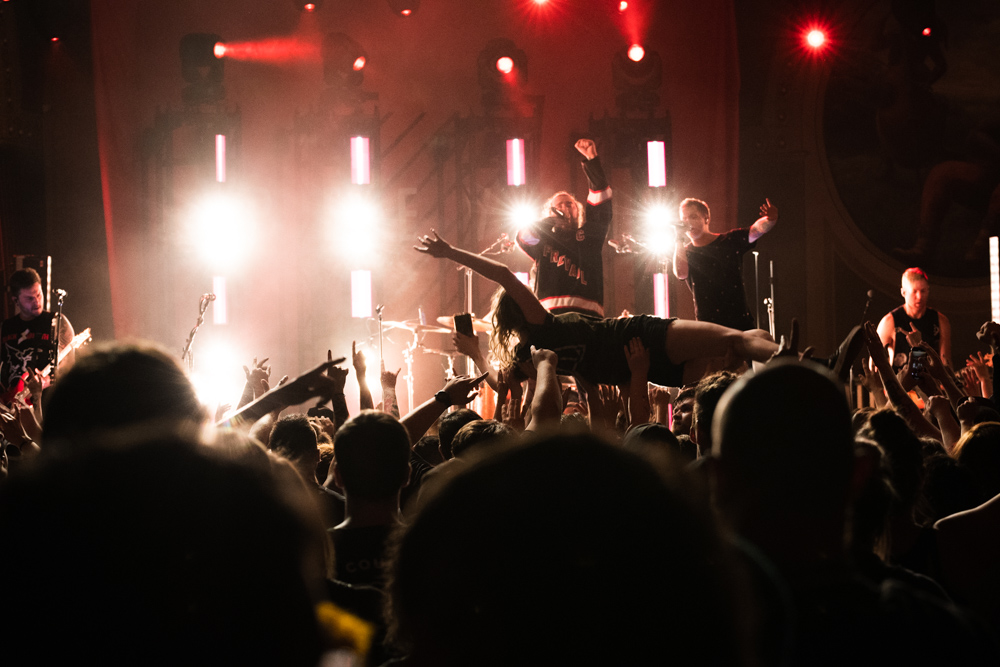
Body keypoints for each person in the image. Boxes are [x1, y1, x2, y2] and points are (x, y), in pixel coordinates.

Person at [416, 230, 783, 388]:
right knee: (738, 339)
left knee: (742, 346)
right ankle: (802, 366)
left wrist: (476, 354)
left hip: (647, 370)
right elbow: (501, 274)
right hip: (640, 337)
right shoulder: (543, 327)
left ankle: (789, 368)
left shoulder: (531, 356)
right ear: (521, 308)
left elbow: (501, 386)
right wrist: (449, 252)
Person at [515, 138, 612, 317]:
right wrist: (549, 221)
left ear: (578, 210)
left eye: (569, 204)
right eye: (558, 206)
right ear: (549, 212)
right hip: (549, 317)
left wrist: (592, 160)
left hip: (587, 316)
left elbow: (601, 204)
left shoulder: (589, 236)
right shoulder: (542, 241)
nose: (564, 208)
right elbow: (523, 236)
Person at [672, 197, 778, 331]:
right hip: (709, 327)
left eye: (693, 217)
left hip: (739, 324)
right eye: (684, 219)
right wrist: (679, 239)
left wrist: (770, 219)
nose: (688, 223)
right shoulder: (685, 252)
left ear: (706, 218)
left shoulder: (729, 241)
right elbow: (681, 273)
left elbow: (755, 230)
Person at [0, 268, 75, 396]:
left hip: (46, 400)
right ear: (15, 300)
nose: (36, 301)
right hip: (11, 403)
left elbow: (70, 366)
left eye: (39, 295)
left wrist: (46, 381)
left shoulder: (57, 322)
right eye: (29, 298)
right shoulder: (5, 327)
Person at [876, 267, 952, 371]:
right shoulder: (889, 322)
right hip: (900, 380)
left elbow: (946, 363)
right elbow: (875, 364)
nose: (919, 296)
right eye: (914, 291)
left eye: (923, 291)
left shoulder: (941, 321)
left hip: (931, 380)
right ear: (903, 292)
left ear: (928, 290)